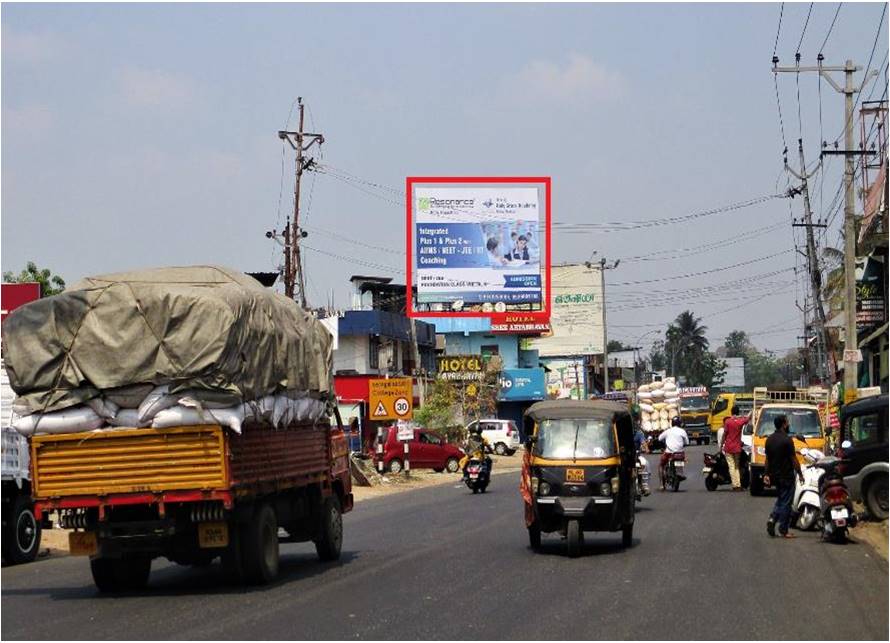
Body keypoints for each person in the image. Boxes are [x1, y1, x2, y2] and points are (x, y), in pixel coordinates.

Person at [764, 414, 803, 538]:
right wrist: (800, 473)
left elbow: (767, 459)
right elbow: (793, 459)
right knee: (786, 502)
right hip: (786, 476)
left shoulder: (769, 439)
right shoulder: (787, 440)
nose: (788, 425)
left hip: (775, 476)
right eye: (787, 422)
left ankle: (772, 519)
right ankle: (783, 529)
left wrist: (766, 474)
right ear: (783, 424)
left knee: (781, 499)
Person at [658, 417, 689, 491]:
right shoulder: (683, 431)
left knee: (661, 465)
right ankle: (680, 473)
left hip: (669, 453)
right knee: (681, 461)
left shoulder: (668, 431)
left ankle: (662, 484)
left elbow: (659, 438)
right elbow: (687, 442)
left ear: (672, 423)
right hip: (680, 454)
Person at [722, 405, 746, 491]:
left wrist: (721, 445)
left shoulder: (728, 422)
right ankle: (738, 485)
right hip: (737, 448)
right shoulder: (740, 421)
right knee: (736, 466)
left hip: (728, 447)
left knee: (731, 466)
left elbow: (724, 435)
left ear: (731, 412)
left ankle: (735, 485)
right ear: (738, 412)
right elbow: (747, 418)